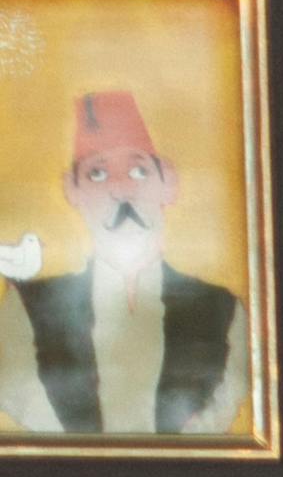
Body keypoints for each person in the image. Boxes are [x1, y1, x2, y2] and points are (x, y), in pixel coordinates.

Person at [0, 89, 250, 444]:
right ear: (73, 190)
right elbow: (16, 391)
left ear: (169, 183)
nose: (121, 189)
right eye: (97, 174)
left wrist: (164, 461)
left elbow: (229, 395)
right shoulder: (25, 306)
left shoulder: (223, 309)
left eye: (138, 170)